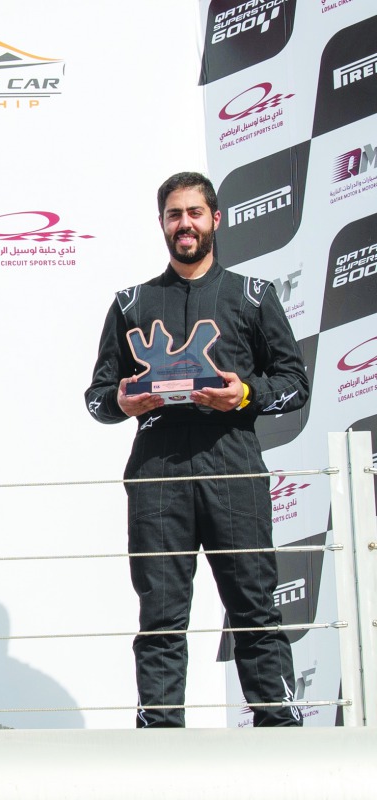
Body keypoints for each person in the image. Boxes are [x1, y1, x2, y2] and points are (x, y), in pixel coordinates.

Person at [84, 171, 307, 728]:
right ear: (162, 223)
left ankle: (281, 733)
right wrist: (123, 402)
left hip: (232, 468)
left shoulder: (253, 295)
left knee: (254, 608)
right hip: (157, 475)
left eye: (194, 213)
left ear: (216, 218)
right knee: (160, 616)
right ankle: (161, 742)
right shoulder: (132, 302)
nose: (184, 224)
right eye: (174, 215)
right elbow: (95, 398)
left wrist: (246, 395)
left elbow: (296, 384)